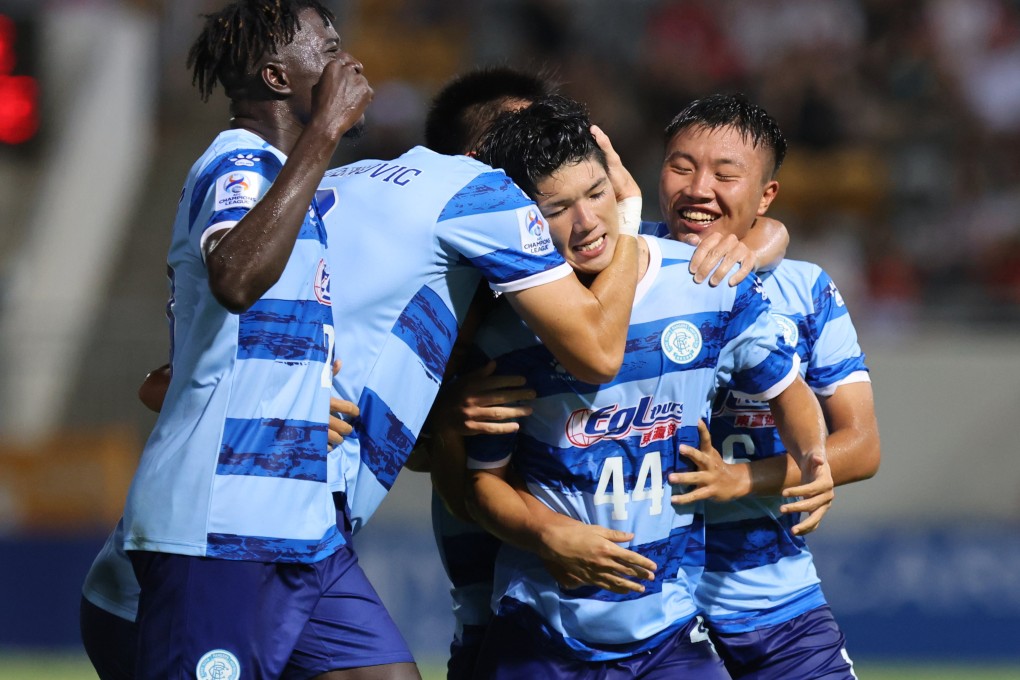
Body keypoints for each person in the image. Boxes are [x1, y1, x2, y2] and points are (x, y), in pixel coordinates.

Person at [417, 66, 793, 679]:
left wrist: (759, 240)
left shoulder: (590, 247)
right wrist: (449, 414)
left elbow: (667, 257)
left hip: (632, 606)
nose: (544, 147)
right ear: (480, 169)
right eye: (521, 139)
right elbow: (419, 454)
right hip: (506, 596)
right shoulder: (442, 289)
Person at [106, 1, 385, 678]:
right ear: (277, 76)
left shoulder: (294, 192)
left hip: (299, 524)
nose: (349, 66)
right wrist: (324, 133)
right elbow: (233, 276)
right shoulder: (240, 163)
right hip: (220, 522)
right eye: (327, 49)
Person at [647, 93, 881, 679]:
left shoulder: (807, 291)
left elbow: (860, 446)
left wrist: (739, 482)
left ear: (765, 194)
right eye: (681, 166)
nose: (699, 189)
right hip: (646, 609)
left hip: (777, 603)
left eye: (726, 174)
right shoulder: (625, 265)